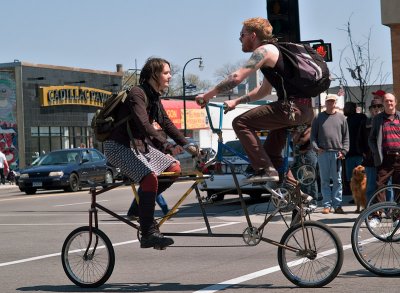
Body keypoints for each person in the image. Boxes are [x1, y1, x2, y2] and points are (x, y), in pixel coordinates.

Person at [195, 17, 315, 185]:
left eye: (241, 35)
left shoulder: (264, 51)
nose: (240, 40)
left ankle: (264, 170)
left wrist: (207, 95)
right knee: (272, 154)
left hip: (291, 109)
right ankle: (299, 197)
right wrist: (236, 101)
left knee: (241, 123)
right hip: (304, 110)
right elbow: (263, 90)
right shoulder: (275, 54)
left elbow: (236, 77)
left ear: (252, 35)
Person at [104, 57, 197, 249]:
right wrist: (167, 146)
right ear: (153, 74)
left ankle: (140, 207)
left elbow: (166, 123)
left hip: (139, 147)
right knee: (150, 179)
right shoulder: (137, 94)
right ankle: (147, 232)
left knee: (174, 167)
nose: (170, 76)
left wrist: (187, 144)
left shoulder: (154, 97)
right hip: (118, 146)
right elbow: (144, 125)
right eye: (166, 72)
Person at [310, 94, 349, 214]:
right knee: (324, 180)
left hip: (337, 153)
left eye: (332, 101)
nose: (330, 103)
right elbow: (313, 137)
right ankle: (326, 205)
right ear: (325, 103)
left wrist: (344, 151)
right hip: (323, 153)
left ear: (335, 102)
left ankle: (337, 205)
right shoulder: (318, 118)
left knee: (337, 180)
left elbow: (346, 137)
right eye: (328, 101)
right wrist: (316, 148)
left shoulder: (342, 118)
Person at [368, 92, 400, 226]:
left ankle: (397, 217)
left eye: (391, 101)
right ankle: (377, 215)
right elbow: (372, 139)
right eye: (386, 101)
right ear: (383, 103)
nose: (389, 103)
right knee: (379, 185)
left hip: (399, 158)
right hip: (384, 158)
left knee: (399, 188)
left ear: (395, 102)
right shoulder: (378, 119)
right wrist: (376, 153)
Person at [360, 98, 383, 202]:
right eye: (374, 107)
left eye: (379, 106)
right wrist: (364, 153)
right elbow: (359, 140)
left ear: (382, 108)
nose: (376, 109)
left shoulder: (386, 121)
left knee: (386, 186)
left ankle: (389, 210)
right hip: (370, 159)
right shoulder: (365, 123)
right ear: (370, 109)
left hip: (385, 158)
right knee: (370, 186)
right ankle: (371, 209)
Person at [343, 101, 367, 200]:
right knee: (352, 177)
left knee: (359, 177)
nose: (345, 109)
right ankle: (356, 197)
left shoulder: (361, 117)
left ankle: (361, 196)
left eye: (347, 107)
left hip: (358, 153)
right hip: (350, 153)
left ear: (353, 108)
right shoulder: (346, 120)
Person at [291, 126, 319, 200]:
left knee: (309, 178)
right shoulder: (299, 127)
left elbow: (303, 140)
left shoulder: (311, 126)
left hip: (309, 153)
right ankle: (303, 200)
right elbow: (294, 139)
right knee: (300, 179)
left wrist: (298, 134)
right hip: (298, 154)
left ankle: (312, 201)